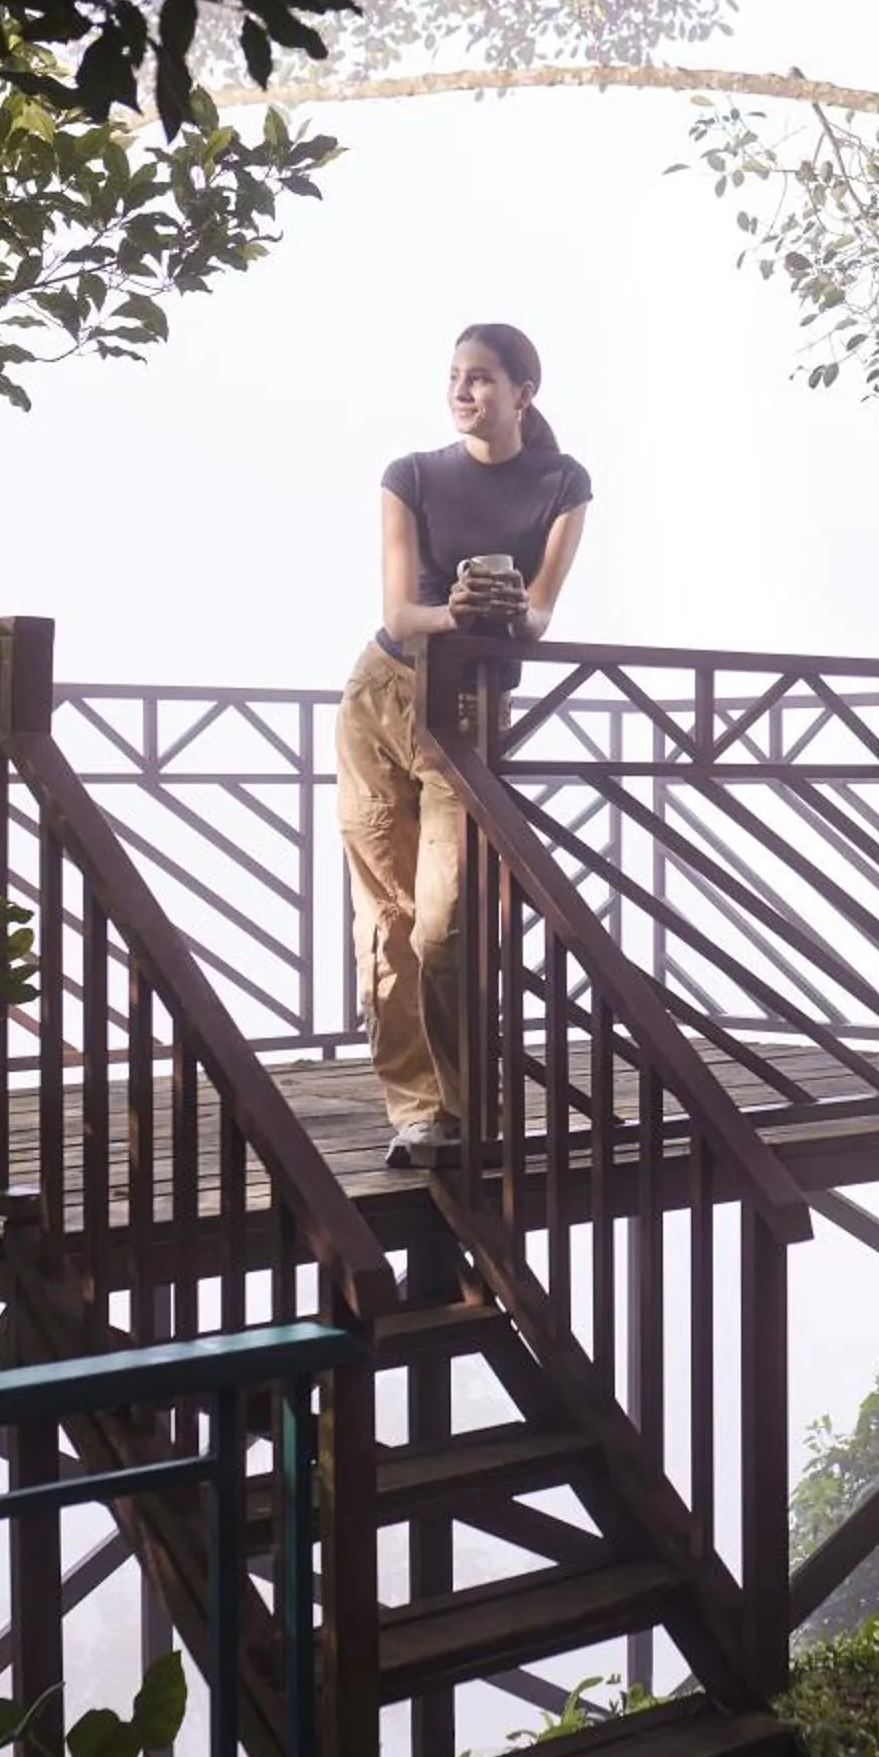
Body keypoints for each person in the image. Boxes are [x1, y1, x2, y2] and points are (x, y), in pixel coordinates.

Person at [337, 324, 591, 1163]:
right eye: (454, 377)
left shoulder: (561, 484)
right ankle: (418, 1114)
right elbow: (402, 613)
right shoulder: (409, 475)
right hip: (382, 694)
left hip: (472, 712)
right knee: (386, 921)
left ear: (524, 391)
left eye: (480, 379)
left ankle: (470, 1110)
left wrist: (506, 607)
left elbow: (544, 616)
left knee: (445, 925)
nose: (463, 392)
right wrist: (457, 611)